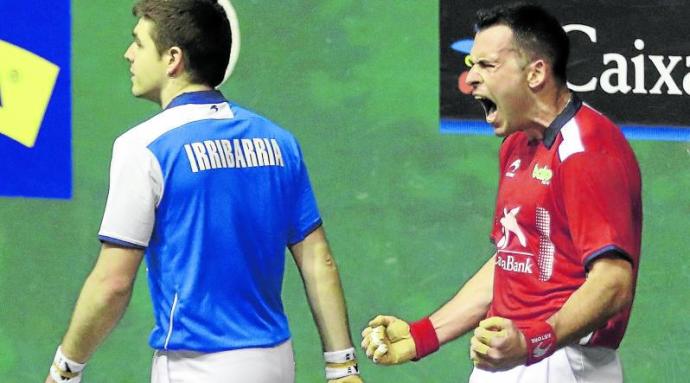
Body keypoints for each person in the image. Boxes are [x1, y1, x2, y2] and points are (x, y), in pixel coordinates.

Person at [45, 1, 363, 382]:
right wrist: (342, 367)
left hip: (196, 367)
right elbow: (318, 261)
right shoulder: (280, 142)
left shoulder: (143, 147)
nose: (127, 54)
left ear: (173, 59)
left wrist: (65, 369)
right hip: (277, 364)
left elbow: (112, 283)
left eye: (139, 44)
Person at [361, 3, 642, 382]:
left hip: (563, 362)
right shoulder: (516, 146)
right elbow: (511, 258)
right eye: (471, 64)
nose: (471, 78)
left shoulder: (585, 149)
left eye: (487, 65)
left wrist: (533, 343)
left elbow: (613, 282)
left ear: (536, 72)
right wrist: (422, 335)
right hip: (508, 356)